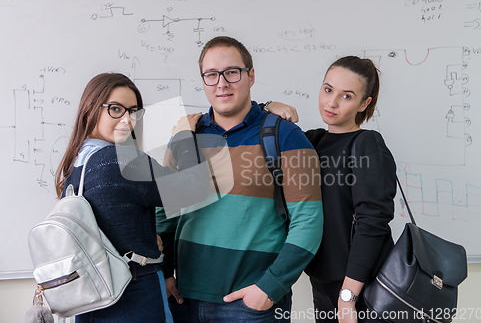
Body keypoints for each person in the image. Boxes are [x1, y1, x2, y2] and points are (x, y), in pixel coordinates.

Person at [156, 36, 324, 323]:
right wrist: (165, 273)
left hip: (253, 306)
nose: (221, 83)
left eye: (232, 72)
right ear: (204, 80)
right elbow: (165, 216)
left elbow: (308, 222)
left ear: (251, 75)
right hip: (184, 300)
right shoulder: (186, 136)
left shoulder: (285, 136)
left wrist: (269, 289)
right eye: (211, 75)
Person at [55, 72, 208, 323]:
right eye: (115, 109)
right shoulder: (122, 159)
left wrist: (145, 239)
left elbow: (110, 224)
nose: (127, 119)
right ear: (90, 109)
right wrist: (183, 136)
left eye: (134, 111)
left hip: (91, 299)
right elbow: (191, 189)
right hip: (133, 294)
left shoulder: (75, 166)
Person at [266, 56, 397, 323]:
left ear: (364, 103)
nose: (332, 103)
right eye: (328, 90)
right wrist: (268, 106)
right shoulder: (312, 141)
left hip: (363, 287)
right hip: (323, 283)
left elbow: (373, 221)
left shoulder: (367, 144)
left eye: (346, 96)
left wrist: (348, 295)